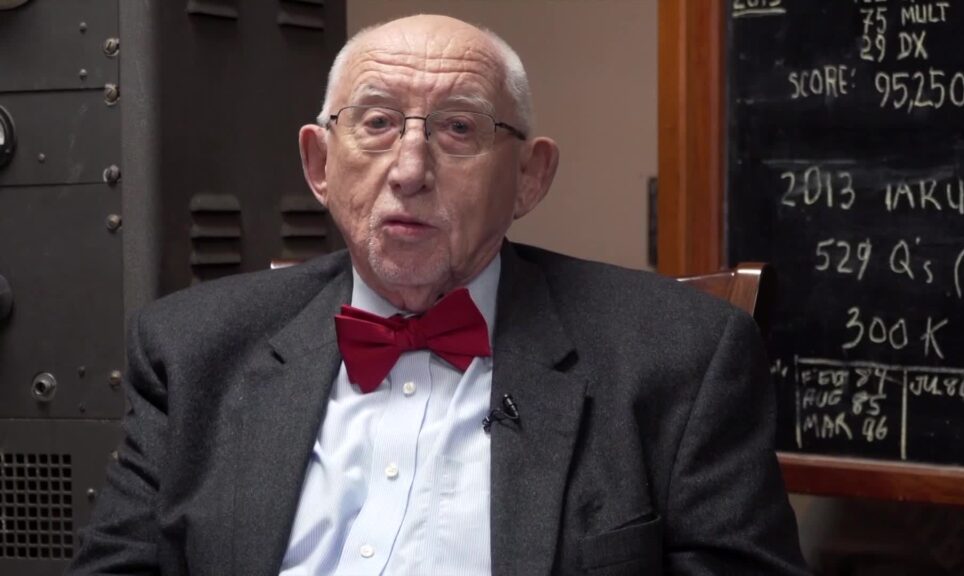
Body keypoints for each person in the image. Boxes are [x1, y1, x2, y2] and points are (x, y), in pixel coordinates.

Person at [68, 14, 809, 576]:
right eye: (377, 123)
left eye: (458, 128)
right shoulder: (191, 350)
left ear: (529, 178)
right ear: (320, 165)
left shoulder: (683, 357)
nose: (409, 170)